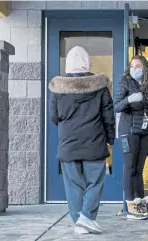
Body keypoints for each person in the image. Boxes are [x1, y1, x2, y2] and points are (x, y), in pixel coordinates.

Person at [49, 46, 115, 234]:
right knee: (95, 182)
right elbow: (108, 118)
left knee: (73, 185)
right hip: (94, 144)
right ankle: (86, 218)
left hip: (68, 145)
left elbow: (54, 117)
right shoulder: (100, 88)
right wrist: (110, 139)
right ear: (88, 64)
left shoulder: (58, 89)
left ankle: (80, 220)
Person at [114, 55, 148, 220]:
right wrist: (129, 99)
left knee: (138, 170)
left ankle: (141, 203)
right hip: (127, 132)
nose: (135, 69)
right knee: (129, 168)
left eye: (138, 66)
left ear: (145, 69)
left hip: (143, 132)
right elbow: (116, 106)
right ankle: (130, 206)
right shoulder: (125, 82)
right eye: (132, 65)